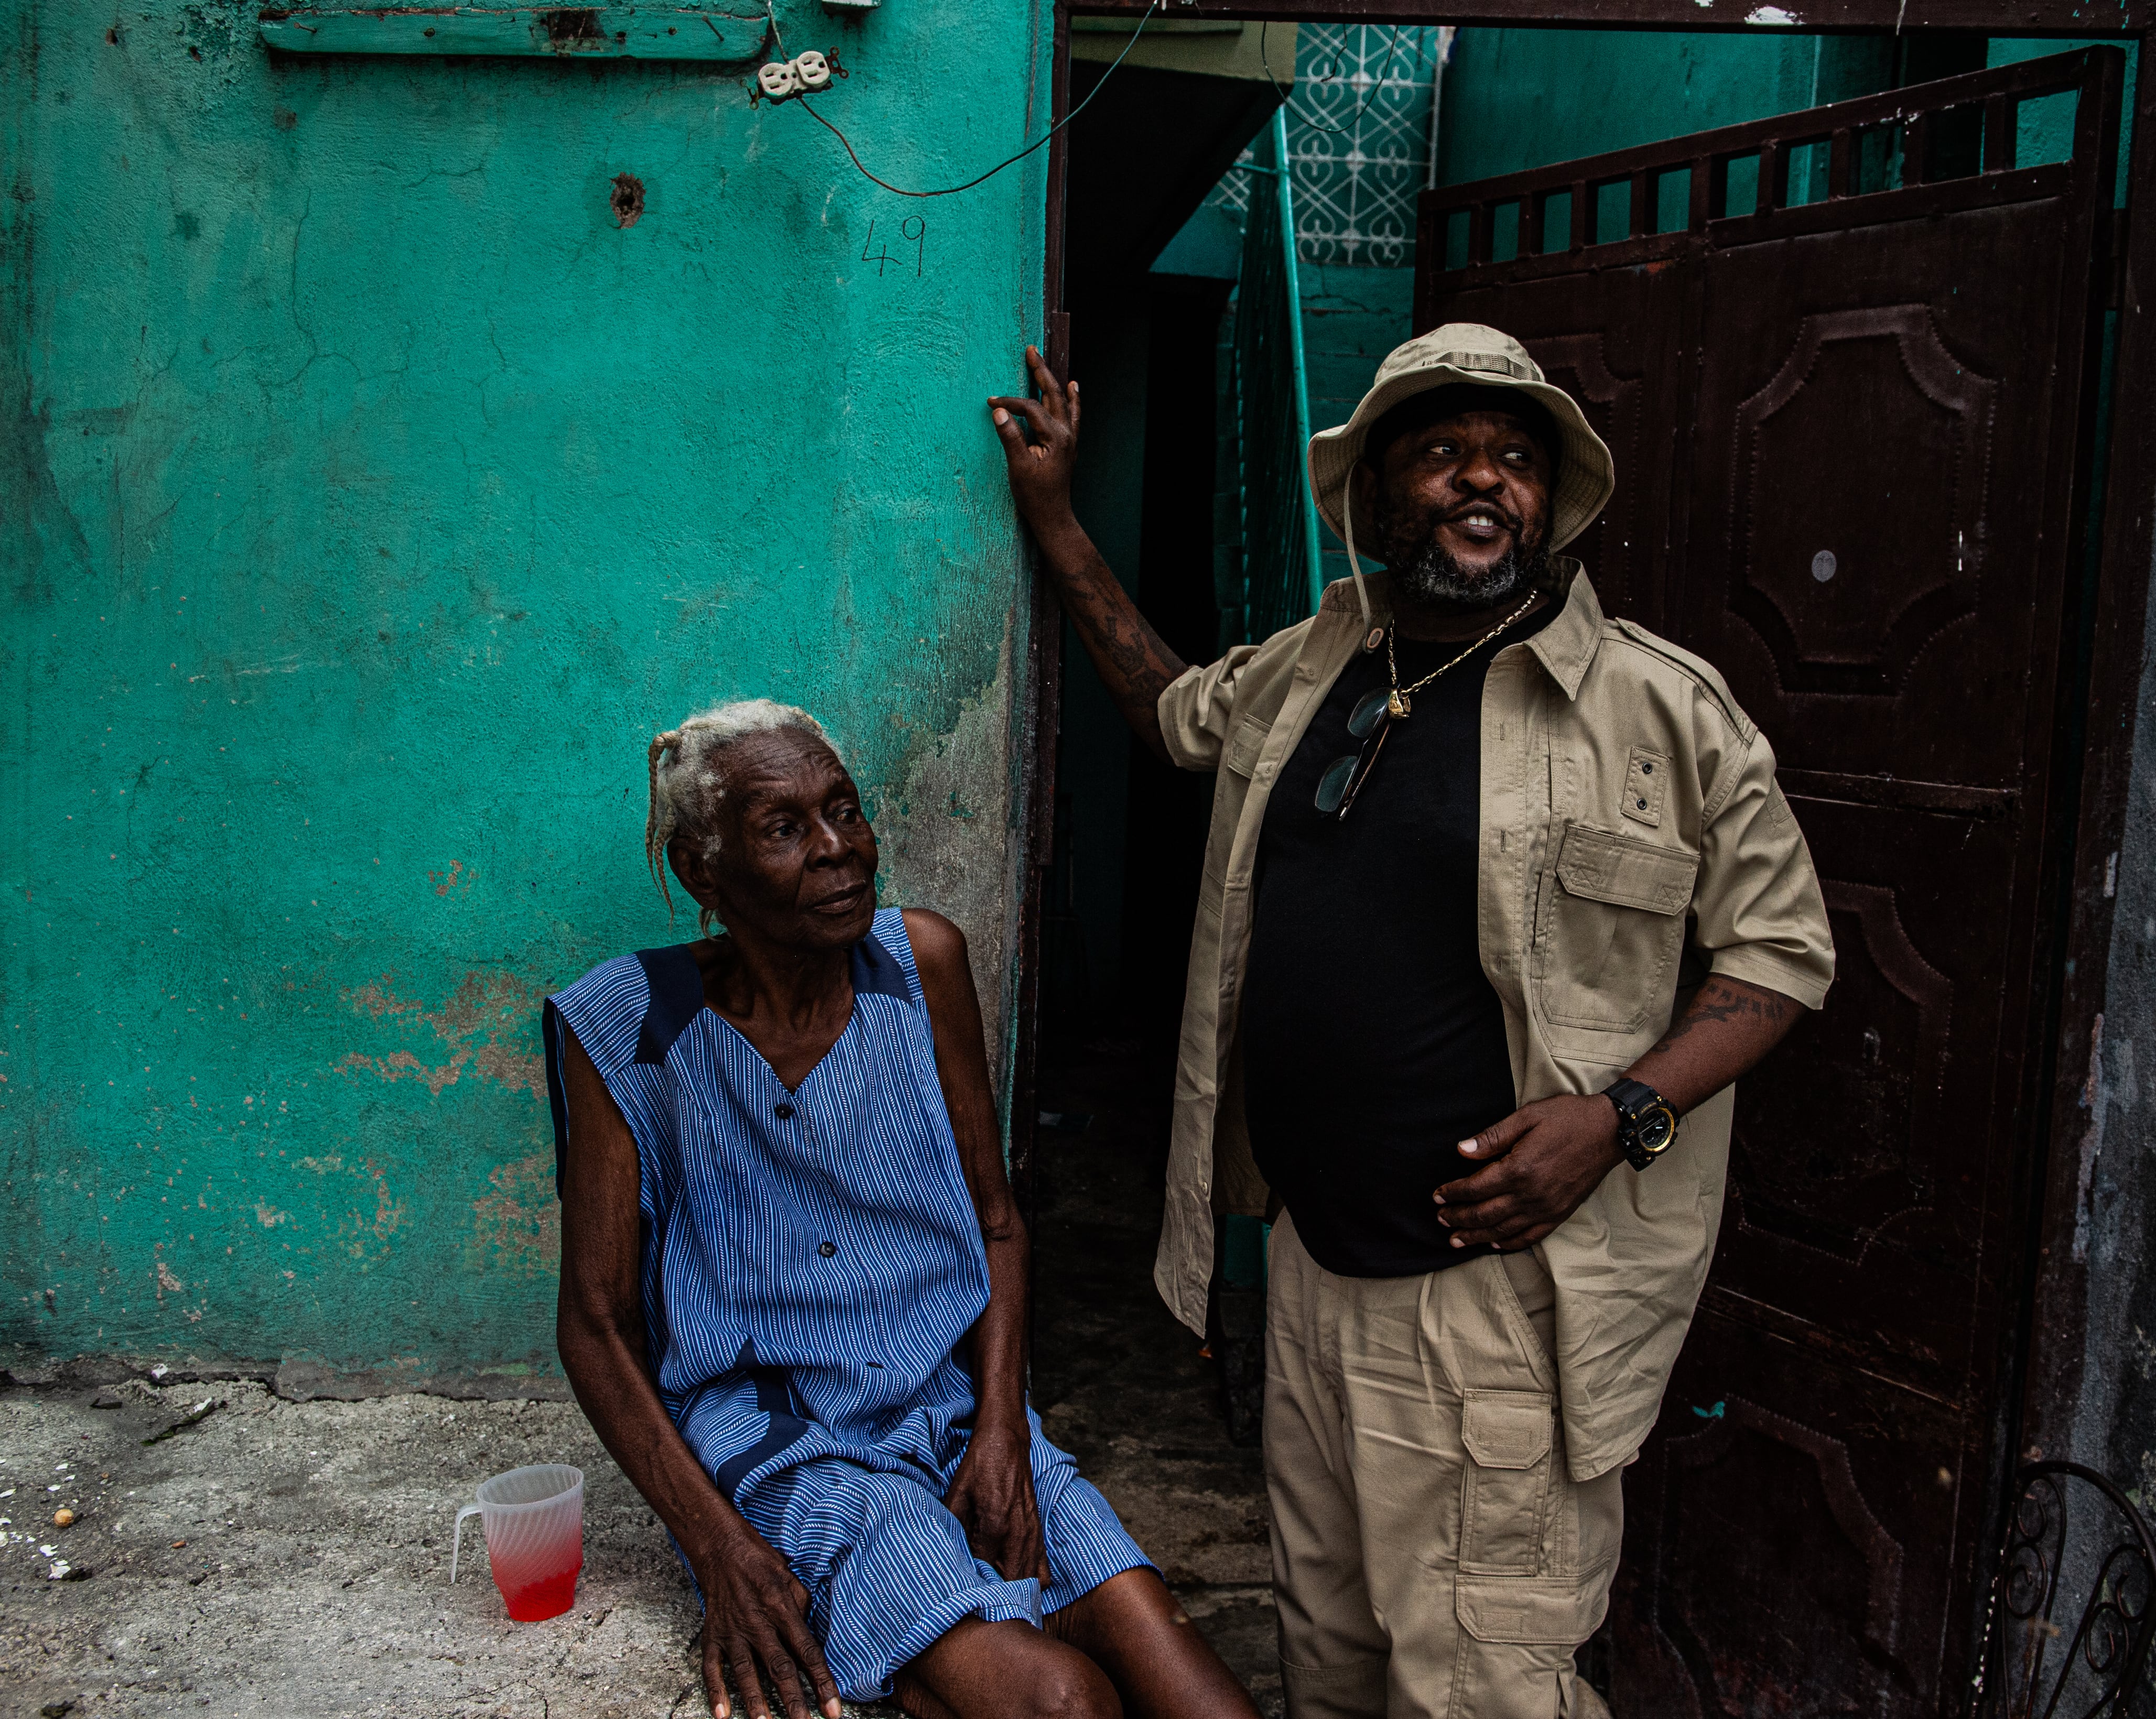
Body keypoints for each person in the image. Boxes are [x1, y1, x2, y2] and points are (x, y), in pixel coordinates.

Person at [988, 324, 1837, 1719]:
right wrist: (1058, 520)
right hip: (1313, 1271)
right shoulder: (1315, 661)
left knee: (1484, 1686)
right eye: (1442, 453)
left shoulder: (1660, 708)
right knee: (1331, 1664)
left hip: (1497, 1302)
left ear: (1551, 499)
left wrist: (1618, 1115)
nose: (1482, 480)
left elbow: (1783, 954)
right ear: (1377, 494)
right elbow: (1171, 711)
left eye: (1514, 458)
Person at [549, 699, 1261, 1719]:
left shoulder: (921, 964)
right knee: (1062, 1699)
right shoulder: (626, 1026)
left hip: (953, 1411)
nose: (838, 847)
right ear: (703, 871)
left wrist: (1003, 1433)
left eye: (844, 810)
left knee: (1192, 1687)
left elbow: (997, 1223)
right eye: (785, 827)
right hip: (786, 1444)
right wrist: (721, 1550)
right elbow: (596, 1322)